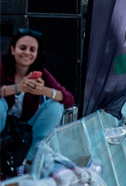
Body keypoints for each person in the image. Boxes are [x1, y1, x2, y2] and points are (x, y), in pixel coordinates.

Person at [0, 29, 74, 173]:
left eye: (32, 49)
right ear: (13, 50)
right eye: (22, 48)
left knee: (55, 106)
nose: (27, 53)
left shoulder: (40, 73)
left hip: (25, 128)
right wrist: (17, 88)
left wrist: (44, 91)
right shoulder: (3, 68)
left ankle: (24, 161)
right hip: (4, 126)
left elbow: (69, 99)